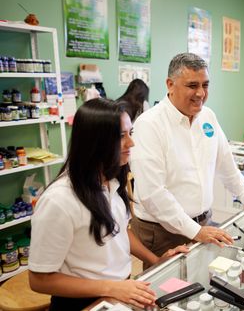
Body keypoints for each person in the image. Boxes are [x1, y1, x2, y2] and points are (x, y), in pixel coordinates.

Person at [29, 99, 189, 311]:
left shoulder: (111, 182)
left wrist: (156, 260)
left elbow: (119, 231)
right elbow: (39, 280)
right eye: (121, 136)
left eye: (130, 133)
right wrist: (112, 288)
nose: (131, 143)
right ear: (95, 142)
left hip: (117, 292)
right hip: (84, 302)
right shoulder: (59, 201)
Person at [130, 52, 244, 263]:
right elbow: (153, 194)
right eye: (192, 85)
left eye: (205, 85)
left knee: (203, 282)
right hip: (162, 231)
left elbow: (225, 163)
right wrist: (195, 231)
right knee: (167, 292)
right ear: (170, 84)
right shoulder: (148, 125)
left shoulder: (208, 116)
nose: (200, 93)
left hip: (203, 221)